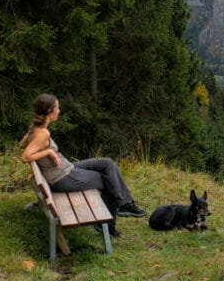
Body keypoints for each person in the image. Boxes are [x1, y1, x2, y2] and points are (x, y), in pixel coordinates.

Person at [20, 93, 146, 237]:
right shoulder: (42, 133)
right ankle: (110, 224)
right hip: (63, 177)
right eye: (57, 108)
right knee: (108, 180)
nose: (59, 111)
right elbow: (25, 157)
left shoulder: (35, 128)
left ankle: (125, 204)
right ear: (49, 111)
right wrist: (48, 151)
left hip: (66, 168)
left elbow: (22, 144)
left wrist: (43, 149)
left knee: (107, 164)